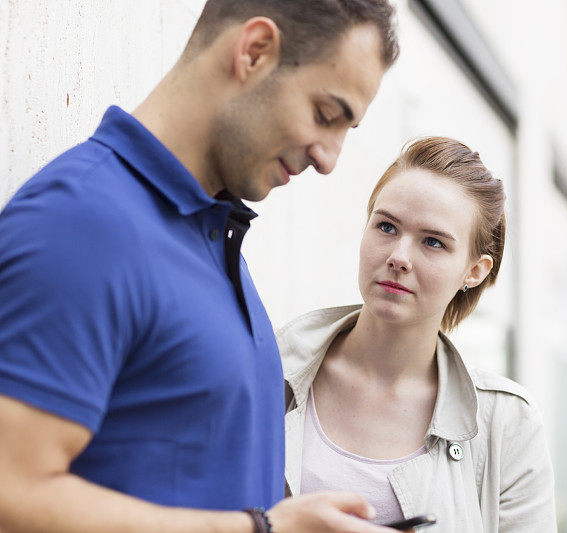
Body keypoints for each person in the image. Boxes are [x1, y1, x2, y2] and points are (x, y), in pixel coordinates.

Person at [0, 1, 407, 532]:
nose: (329, 157)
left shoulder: (209, 237)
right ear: (254, 51)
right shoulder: (82, 220)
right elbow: (11, 492)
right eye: (327, 115)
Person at [278, 137, 558, 532]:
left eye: (433, 242)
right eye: (386, 226)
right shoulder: (268, 370)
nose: (399, 257)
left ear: (474, 271)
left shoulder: (507, 424)